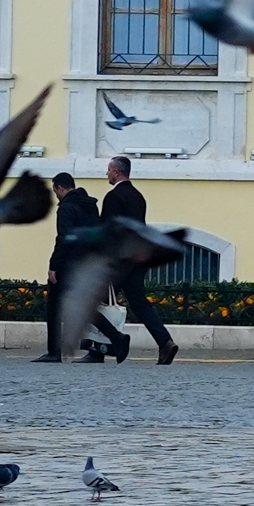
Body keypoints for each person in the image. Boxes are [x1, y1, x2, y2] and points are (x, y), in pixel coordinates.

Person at [97, 155, 178, 366]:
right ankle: (165, 342)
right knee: (140, 304)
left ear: (116, 172)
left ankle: (111, 343)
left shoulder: (113, 197)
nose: (106, 173)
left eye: (108, 169)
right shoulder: (138, 197)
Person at [38, 171, 125, 364]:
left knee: (53, 306)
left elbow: (64, 238)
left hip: (67, 264)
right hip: (85, 262)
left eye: (56, 191)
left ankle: (54, 352)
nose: (56, 195)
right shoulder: (90, 206)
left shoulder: (66, 208)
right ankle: (116, 337)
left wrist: (54, 265)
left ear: (60, 188)